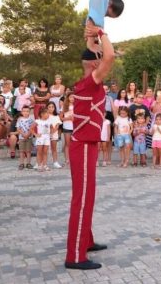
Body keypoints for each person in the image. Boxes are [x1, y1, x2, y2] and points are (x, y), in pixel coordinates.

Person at [64, 24, 115, 270]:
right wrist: (103, 35)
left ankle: (87, 240)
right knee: (82, 200)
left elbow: (95, 52)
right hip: (82, 147)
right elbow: (110, 56)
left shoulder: (87, 80)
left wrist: (93, 32)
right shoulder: (92, 82)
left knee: (88, 197)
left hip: (86, 146)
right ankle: (75, 256)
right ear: (95, 66)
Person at [33, 107, 53, 171]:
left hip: (47, 137)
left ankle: (44, 165)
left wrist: (50, 133)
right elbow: (31, 129)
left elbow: (52, 128)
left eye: (48, 113)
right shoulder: (37, 121)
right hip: (40, 138)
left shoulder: (49, 121)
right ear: (42, 114)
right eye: (46, 113)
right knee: (39, 152)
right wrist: (36, 134)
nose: (48, 114)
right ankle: (39, 165)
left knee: (45, 152)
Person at [46, 102, 63, 169]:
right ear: (47, 108)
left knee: (54, 149)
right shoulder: (45, 116)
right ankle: (43, 163)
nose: (51, 108)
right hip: (46, 134)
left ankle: (55, 162)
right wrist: (49, 130)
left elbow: (57, 126)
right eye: (49, 107)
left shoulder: (56, 116)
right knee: (45, 149)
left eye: (52, 107)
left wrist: (53, 131)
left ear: (54, 108)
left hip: (54, 134)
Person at [60, 94, 75, 166]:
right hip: (67, 126)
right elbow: (60, 118)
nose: (72, 98)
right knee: (67, 143)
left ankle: (74, 158)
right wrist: (67, 118)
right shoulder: (64, 106)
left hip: (76, 127)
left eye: (73, 97)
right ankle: (67, 159)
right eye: (71, 97)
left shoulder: (77, 106)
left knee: (75, 144)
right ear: (68, 98)